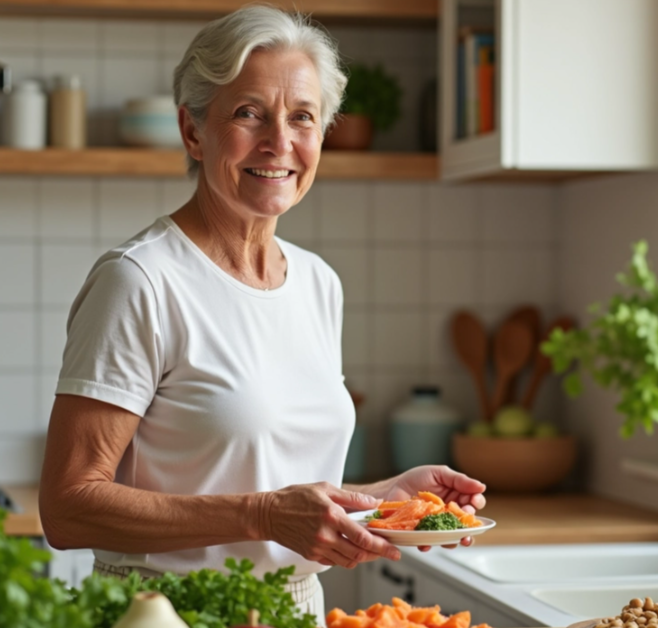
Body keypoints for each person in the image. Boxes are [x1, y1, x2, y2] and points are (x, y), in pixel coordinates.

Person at [37, 5, 486, 618]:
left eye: (302, 117)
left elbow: (285, 485)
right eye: (249, 113)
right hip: (166, 613)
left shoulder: (318, 284)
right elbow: (67, 507)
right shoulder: (140, 280)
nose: (280, 142)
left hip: (292, 610)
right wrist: (263, 515)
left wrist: (387, 500)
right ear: (193, 132)